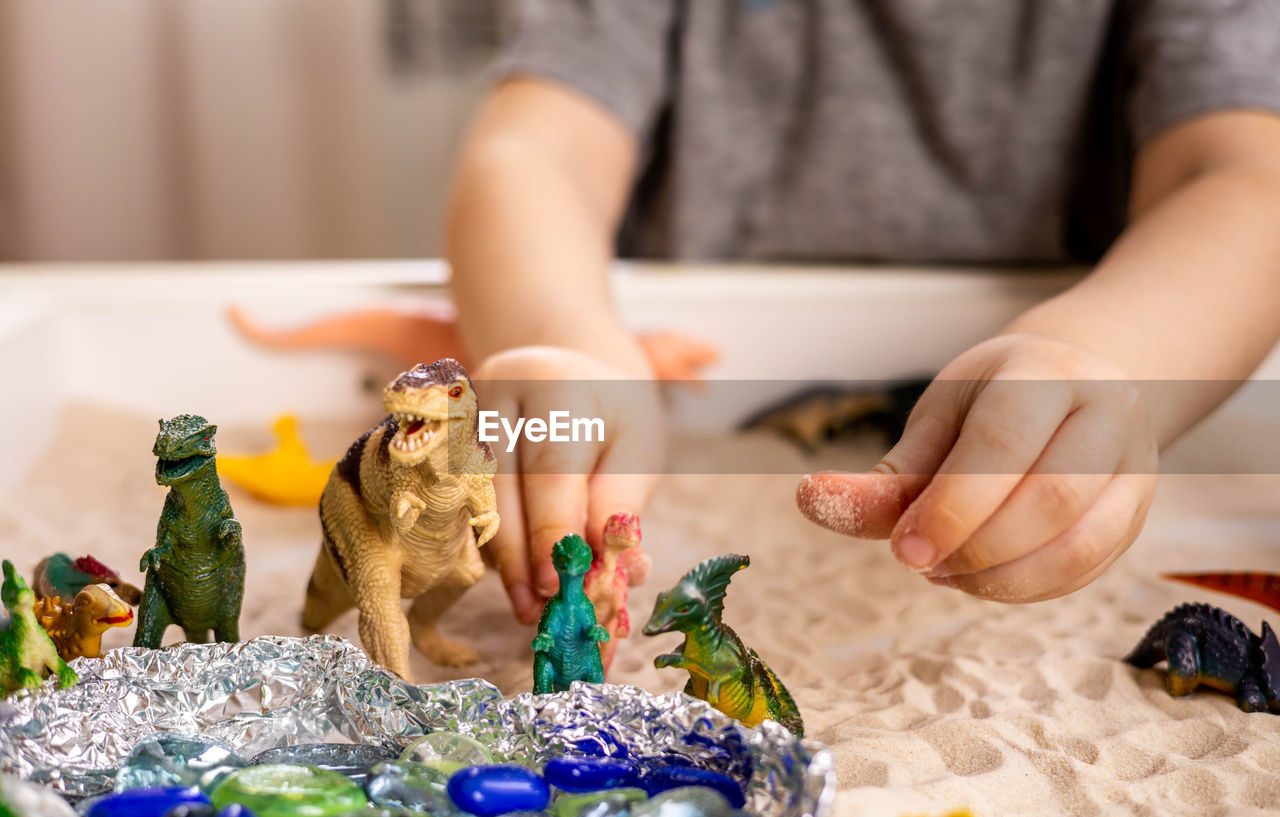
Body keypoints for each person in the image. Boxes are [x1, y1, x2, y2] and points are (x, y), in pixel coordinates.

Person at [444, 0, 1280, 623]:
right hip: (715, 385)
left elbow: (1245, 180)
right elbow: (534, 152)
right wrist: (572, 349)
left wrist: (1103, 357)